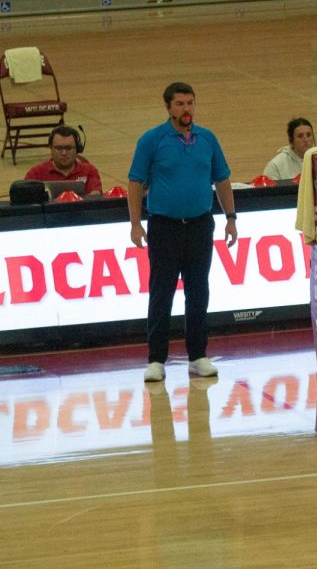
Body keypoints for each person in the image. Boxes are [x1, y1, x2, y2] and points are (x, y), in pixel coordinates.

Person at [128, 82, 237, 383]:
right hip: (164, 228)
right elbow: (135, 182)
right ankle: (156, 360)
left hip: (200, 226)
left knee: (198, 291)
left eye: (190, 103)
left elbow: (223, 179)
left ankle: (198, 356)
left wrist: (231, 217)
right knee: (161, 293)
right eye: (179, 104)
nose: (186, 109)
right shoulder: (152, 140)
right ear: (168, 108)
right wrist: (135, 223)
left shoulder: (207, 139)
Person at [25, 126, 102, 196]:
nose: (64, 153)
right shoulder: (36, 174)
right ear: (50, 148)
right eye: (59, 148)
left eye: (68, 148)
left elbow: (95, 195)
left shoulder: (89, 170)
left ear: (77, 149)